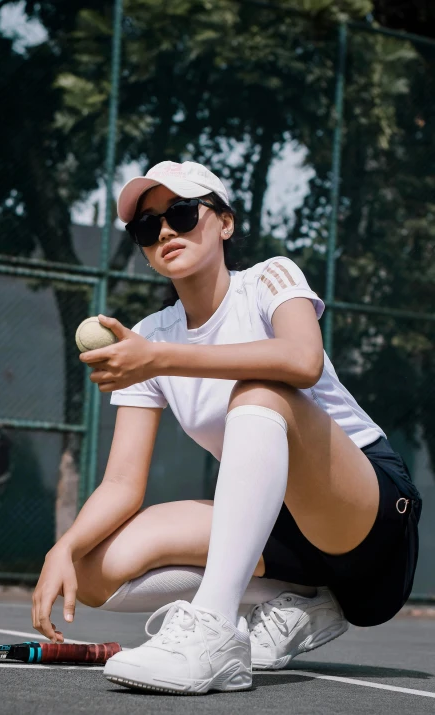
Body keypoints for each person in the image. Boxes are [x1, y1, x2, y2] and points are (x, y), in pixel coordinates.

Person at [32, 160, 422, 694]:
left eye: (183, 213)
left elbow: (302, 360)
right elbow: (122, 484)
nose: (166, 230)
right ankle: (303, 603)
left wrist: (160, 359)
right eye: (148, 227)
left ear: (225, 222)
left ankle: (214, 631)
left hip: (367, 520)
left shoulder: (269, 280)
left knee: (259, 389)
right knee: (98, 570)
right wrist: (64, 547)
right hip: (278, 527)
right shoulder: (149, 337)